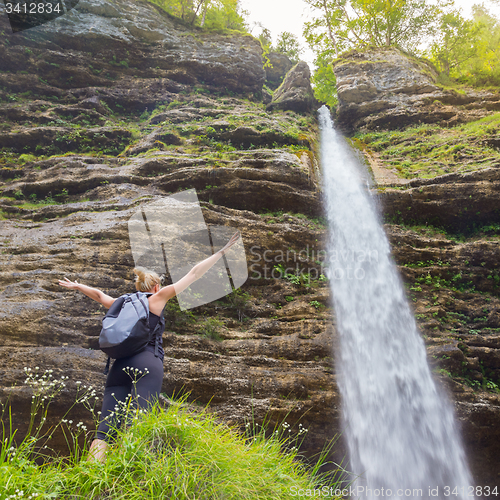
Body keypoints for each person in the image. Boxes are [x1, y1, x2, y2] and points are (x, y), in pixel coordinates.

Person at [58, 230, 241, 463]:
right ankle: (138, 477)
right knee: (144, 421)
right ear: (155, 286)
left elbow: (98, 295)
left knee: (105, 428)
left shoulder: (121, 303)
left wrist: (77, 286)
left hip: (118, 367)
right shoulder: (158, 298)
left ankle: (91, 475)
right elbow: (194, 273)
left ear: (138, 287)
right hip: (147, 362)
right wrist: (222, 252)